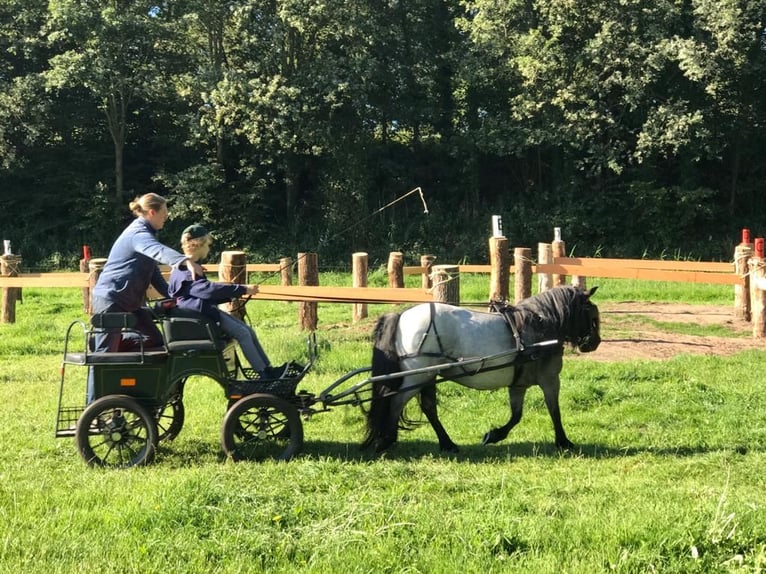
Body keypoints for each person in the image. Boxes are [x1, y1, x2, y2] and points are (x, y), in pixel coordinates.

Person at [168, 224, 287, 380]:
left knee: (247, 331)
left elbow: (205, 292)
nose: (209, 249)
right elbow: (207, 290)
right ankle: (265, 375)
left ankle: (268, 370)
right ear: (199, 244)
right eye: (208, 245)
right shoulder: (187, 270)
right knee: (243, 333)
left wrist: (236, 291)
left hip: (203, 313)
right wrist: (242, 289)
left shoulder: (187, 266)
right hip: (199, 318)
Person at [91, 193, 204, 352]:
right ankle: (103, 343)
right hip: (112, 299)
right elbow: (158, 251)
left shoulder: (147, 235)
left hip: (130, 302)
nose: (166, 217)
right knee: (104, 355)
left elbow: (152, 273)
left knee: (153, 340)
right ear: (152, 212)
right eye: (164, 214)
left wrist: (177, 296)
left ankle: (107, 343)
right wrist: (183, 261)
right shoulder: (138, 234)